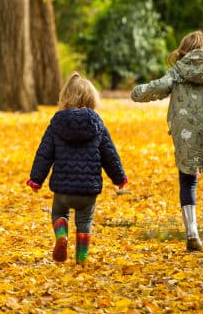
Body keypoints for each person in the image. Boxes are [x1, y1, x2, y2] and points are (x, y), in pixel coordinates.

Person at [131, 30, 203, 252]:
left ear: (183, 50)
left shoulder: (178, 71)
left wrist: (139, 93)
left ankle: (192, 232)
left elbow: (158, 87)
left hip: (184, 131)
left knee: (187, 179)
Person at [26, 73, 128, 263]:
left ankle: (61, 235)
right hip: (88, 190)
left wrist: (36, 179)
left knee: (58, 213)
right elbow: (110, 154)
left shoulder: (56, 124)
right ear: (92, 99)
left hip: (63, 189)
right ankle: (81, 259)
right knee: (84, 223)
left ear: (64, 97)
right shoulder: (98, 125)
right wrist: (119, 178)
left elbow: (44, 153)